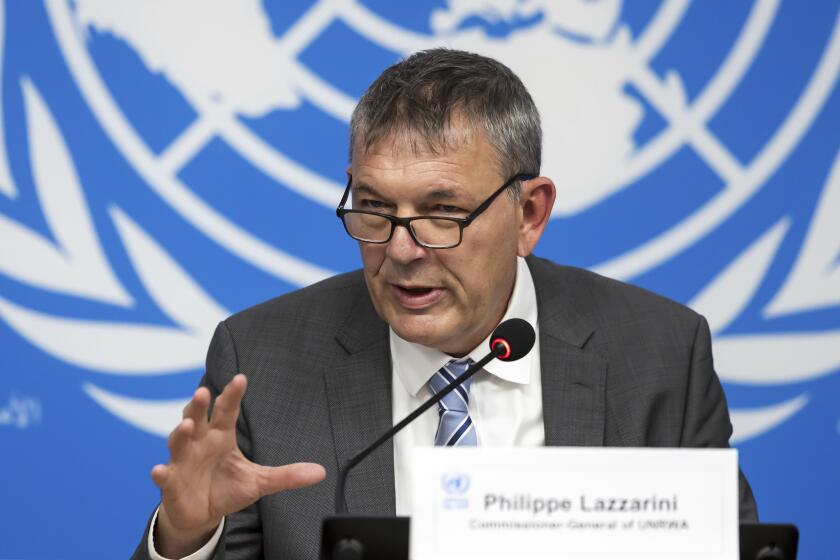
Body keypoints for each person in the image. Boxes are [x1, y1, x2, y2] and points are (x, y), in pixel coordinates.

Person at [132, 48, 758, 560]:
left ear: (529, 214)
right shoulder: (263, 363)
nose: (402, 249)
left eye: (442, 212)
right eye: (375, 207)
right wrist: (187, 535)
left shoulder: (658, 354)